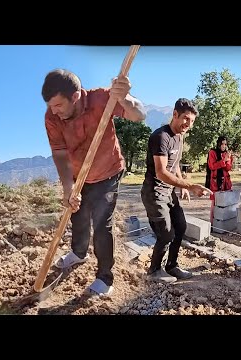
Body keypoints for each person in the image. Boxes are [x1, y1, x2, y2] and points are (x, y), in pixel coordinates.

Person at [42, 69, 146, 297]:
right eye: (51, 106)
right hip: (79, 175)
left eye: (58, 105)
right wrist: (68, 187)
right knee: (77, 215)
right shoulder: (51, 117)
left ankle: (105, 278)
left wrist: (125, 98)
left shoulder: (102, 99)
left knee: (101, 224)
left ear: (75, 96)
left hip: (108, 172)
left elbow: (139, 115)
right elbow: (59, 153)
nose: (54, 111)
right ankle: (79, 253)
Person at [141, 98, 211, 283]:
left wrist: (181, 183)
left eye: (192, 121)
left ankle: (172, 266)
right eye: (186, 119)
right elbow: (161, 171)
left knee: (181, 227)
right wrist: (189, 186)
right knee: (166, 234)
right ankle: (154, 271)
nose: (188, 124)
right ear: (175, 114)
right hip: (154, 192)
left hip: (169, 192)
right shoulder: (160, 137)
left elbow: (176, 162)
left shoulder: (180, 136)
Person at [206, 136, 233, 223]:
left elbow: (228, 168)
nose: (224, 146)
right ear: (218, 144)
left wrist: (228, 159)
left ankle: (224, 223)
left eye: (225, 144)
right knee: (215, 202)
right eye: (222, 144)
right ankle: (212, 223)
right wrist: (223, 161)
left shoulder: (227, 153)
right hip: (216, 181)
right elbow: (212, 166)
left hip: (226, 181)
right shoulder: (212, 152)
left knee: (226, 202)